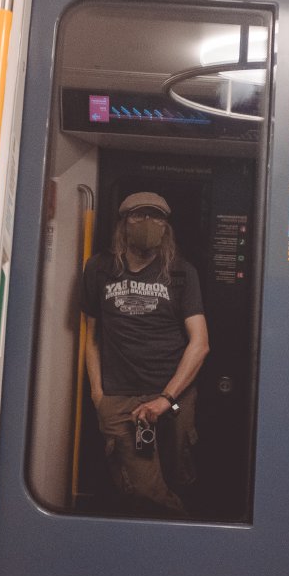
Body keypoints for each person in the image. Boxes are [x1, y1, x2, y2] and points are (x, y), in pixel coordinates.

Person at [81, 192, 209, 516]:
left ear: (166, 227)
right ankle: (180, 536)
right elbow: (91, 334)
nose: (148, 224)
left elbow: (200, 343)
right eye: (139, 217)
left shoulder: (180, 272)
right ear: (123, 224)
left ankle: (188, 520)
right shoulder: (98, 269)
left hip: (173, 394)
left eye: (157, 218)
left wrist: (166, 398)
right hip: (120, 396)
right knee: (143, 489)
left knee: (179, 471)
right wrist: (99, 394)